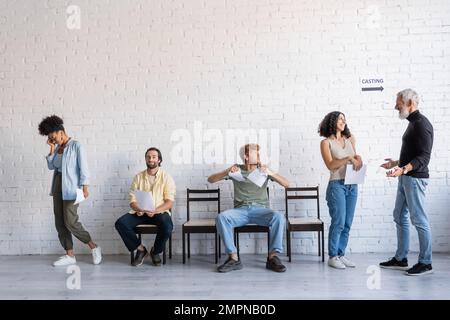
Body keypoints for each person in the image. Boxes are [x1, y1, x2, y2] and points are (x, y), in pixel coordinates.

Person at [208, 143, 290, 273]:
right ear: (246, 157)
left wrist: (270, 172)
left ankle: (272, 257)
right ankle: (233, 258)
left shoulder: (263, 170)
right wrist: (227, 171)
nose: (258, 155)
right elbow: (210, 180)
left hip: (260, 210)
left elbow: (287, 184)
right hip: (240, 211)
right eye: (255, 153)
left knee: (279, 217)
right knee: (221, 217)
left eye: (259, 153)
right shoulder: (236, 170)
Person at [379, 89, 434, 276]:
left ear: (410, 102)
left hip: (415, 179)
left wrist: (403, 169)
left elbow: (424, 157)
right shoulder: (412, 123)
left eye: (398, 103)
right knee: (399, 215)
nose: (396, 106)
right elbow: (413, 151)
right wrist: (396, 163)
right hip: (405, 178)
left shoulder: (421, 124)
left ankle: (426, 262)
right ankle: (401, 258)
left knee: (419, 219)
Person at [38, 115, 102, 266]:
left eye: (54, 138)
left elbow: (83, 168)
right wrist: (52, 148)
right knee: (59, 222)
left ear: (61, 131)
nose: (54, 140)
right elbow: (52, 166)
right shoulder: (58, 147)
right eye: (51, 139)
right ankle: (70, 255)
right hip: (57, 186)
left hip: (72, 189)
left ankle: (94, 246)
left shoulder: (76, 146)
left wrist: (85, 186)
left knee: (70, 221)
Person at [115, 147, 175, 266]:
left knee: (168, 226)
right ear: (145, 159)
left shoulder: (166, 177)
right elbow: (132, 200)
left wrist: (156, 210)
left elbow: (169, 202)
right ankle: (141, 250)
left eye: (153, 157)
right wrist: (138, 209)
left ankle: (155, 251)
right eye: (148, 157)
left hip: (159, 212)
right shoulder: (138, 177)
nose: (150, 159)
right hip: (140, 212)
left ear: (159, 160)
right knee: (120, 223)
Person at [318, 111, 363, 269]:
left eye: (345, 119)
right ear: (332, 121)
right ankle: (332, 256)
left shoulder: (350, 139)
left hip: (352, 184)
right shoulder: (326, 143)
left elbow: (355, 158)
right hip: (336, 185)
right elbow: (330, 165)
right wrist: (348, 158)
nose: (343, 121)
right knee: (338, 222)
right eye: (340, 119)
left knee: (347, 222)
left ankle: (340, 254)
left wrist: (358, 160)